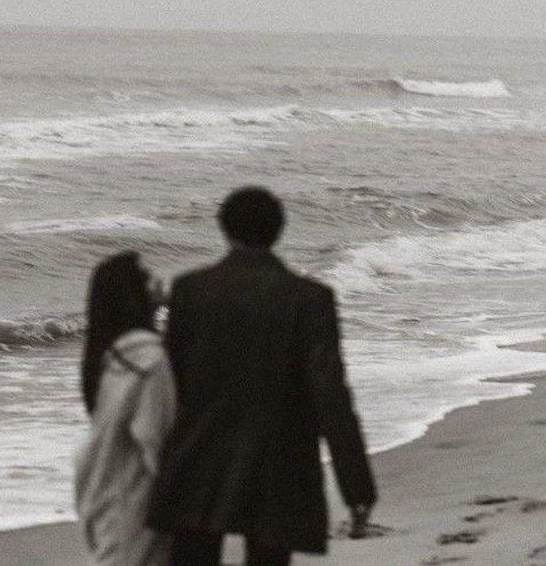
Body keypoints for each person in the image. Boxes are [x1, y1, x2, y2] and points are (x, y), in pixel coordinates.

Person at [147, 187, 377, 565]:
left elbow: (170, 382)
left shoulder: (190, 290)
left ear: (224, 228)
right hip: (279, 461)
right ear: (279, 230)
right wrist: (356, 486)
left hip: (200, 455)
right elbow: (330, 394)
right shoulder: (310, 298)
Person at [75, 251, 177, 566]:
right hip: (136, 504)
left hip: (101, 495)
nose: (157, 283)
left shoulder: (111, 360)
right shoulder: (150, 363)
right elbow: (155, 444)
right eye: (148, 279)